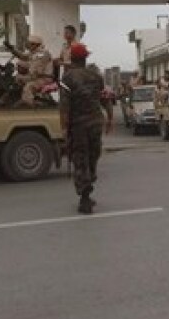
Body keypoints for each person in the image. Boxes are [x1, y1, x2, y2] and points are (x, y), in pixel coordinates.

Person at [59, 43, 113, 214]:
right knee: (92, 156)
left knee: (80, 159)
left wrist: (63, 128)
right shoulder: (96, 76)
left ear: (72, 59)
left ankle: (85, 198)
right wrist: (110, 119)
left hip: (78, 126)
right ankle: (88, 188)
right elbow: (105, 99)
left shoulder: (67, 78)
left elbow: (64, 106)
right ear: (85, 58)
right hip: (95, 123)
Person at [7, 35, 55, 107]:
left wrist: (26, 74)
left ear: (36, 44)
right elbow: (23, 56)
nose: (28, 45)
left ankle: (32, 104)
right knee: (16, 79)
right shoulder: (34, 52)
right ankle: (20, 99)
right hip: (35, 76)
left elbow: (37, 70)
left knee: (29, 86)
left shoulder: (42, 54)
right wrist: (12, 49)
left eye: (30, 43)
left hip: (43, 78)